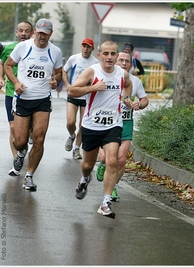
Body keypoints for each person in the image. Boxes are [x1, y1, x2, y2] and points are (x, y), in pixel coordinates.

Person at [68, 40, 132, 219]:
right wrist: (93, 88)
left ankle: (105, 202)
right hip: (91, 125)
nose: (110, 57)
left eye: (113, 54)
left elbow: (127, 85)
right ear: (99, 55)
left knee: (112, 161)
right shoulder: (92, 72)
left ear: (117, 56)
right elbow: (72, 91)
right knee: (88, 165)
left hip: (113, 125)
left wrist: (126, 98)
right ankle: (84, 179)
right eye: (106, 54)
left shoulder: (122, 73)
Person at [3, 18, 63, 190]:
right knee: (20, 141)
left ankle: (29, 176)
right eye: (40, 32)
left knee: (39, 138)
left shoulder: (55, 51)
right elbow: (8, 65)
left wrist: (55, 81)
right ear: (35, 31)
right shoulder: (23, 47)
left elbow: (58, 72)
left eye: (46, 33)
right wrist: (15, 83)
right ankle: (21, 153)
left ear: (51, 33)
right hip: (23, 99)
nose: (42, 36)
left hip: (43, 100)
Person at [96, 51, 149, 201]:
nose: (124, 63)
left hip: (125, 124)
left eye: (127, 61)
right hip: (107, 123)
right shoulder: (106, 77)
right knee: (106, 158)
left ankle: (112, 188)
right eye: (121, 60)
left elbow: (145, 99)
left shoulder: (135, 81)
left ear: (131, 65)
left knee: (120, 160)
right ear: (115, 62)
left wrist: (139, 105)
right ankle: (103, 164)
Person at [0, 21, 34, 176]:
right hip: (12, 93)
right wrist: (0, 78)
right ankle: (16, 159)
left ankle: (27, 139)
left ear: (32, 33)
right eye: (21, 31)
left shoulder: (37, 48)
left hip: (30, 95)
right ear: (16, 32)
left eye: (26, 31)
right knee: (13, 127)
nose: (23, 34)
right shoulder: (9, 48)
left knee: (27, 131)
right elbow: (2, 63)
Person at [62, 38, 99, 159]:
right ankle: (72, 135)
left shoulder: (96, 63)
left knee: (83, 124)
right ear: (81, 47)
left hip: (87, 96)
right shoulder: (74, 58)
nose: (86, 49)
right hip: (74, 94)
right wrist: (67, 84)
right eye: (84, 46)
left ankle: (77, 148)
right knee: (70, 122)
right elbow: (64, 70)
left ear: (92, 49)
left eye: (88, 47)